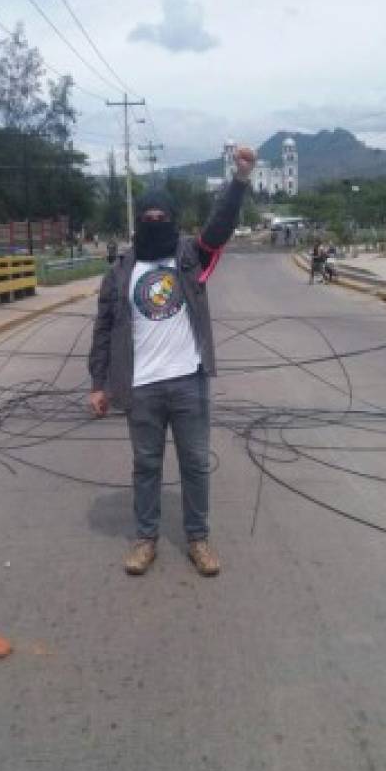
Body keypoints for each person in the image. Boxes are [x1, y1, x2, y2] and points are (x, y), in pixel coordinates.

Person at [88, 146, 256, 576]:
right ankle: (146, 539)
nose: (155, 222)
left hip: (188, 381)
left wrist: (239, 180)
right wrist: (98, 384)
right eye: (148, 217)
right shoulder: (120, 272)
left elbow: (219, 228)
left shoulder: (188, 256)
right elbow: (104, 329)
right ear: (138, 221)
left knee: (195, 463)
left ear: (173, 218)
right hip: (140, 386)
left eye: (162, 216)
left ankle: (198, 539)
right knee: (146, 465)